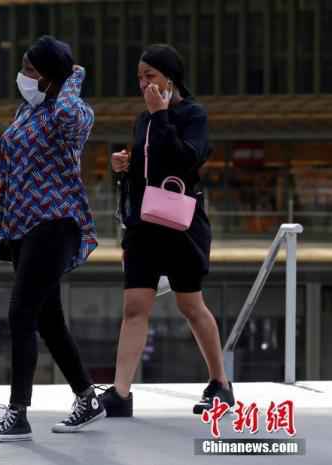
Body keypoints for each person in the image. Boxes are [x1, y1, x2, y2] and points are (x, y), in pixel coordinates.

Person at [0, 35, 103, 443]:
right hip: (23, 226)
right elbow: (6, 167)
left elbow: (68, 114)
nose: (23, 77)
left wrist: (73, 76)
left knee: (21, 312)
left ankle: (18, 414)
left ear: (51, 76)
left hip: (56, 223)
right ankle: (88, 397)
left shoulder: (74, 111)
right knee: (48, 320)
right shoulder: (27, 112)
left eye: (32, 70)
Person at [102, 44, 234, 417]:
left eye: (151, 76)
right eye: (140, 77)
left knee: (190, 304)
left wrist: (161, 116)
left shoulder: (193, 115)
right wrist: (123, 165)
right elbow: (149, 168)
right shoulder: (143, 118)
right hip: (144, 225)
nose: (144, 84)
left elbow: (185, 160)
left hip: (181, 224)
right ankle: (121, 392)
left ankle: (220, 383)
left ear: (170, 79)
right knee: (134, 306)